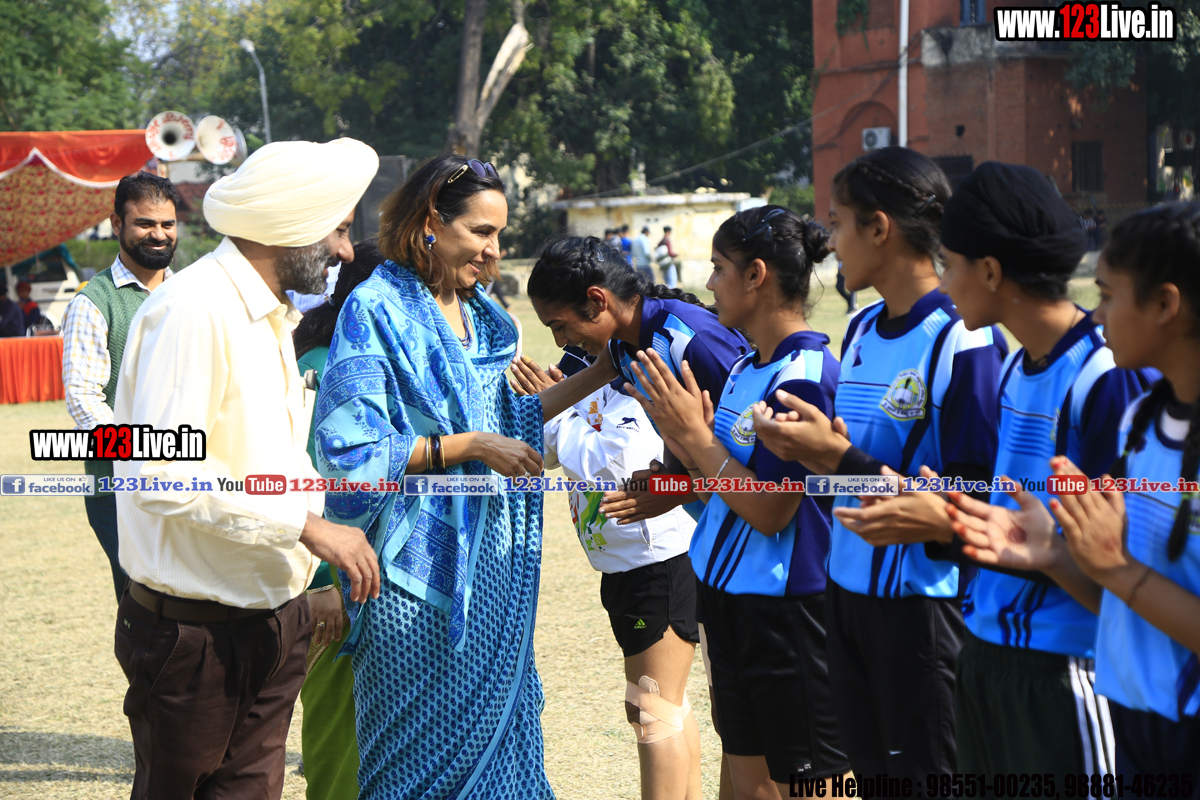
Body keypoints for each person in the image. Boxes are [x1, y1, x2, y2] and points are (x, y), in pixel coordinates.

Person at [828, 162, 1156, 779]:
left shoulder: (1104, 378)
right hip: (988, 652)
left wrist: (947, 516)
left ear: (990, 272)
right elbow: (1005, 520)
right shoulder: (1013, 369)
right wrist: (946, 512)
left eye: (950, 264)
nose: (943, 282)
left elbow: (1123, 561)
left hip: (1066, 665)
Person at [313, 156, 616, 800]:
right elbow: (349, 448)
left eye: (498, 235)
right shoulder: (377, 308)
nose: (493, 251)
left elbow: (511, 422)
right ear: (431, 221)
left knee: (505, 752)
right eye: (481, 232)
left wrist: (606, 368)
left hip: (496, 572)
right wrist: (470, 445)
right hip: (410, 577)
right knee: (409, 768)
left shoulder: (484, 319)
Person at [111, 139, 382, 800]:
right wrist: (306, 527)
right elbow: (158, 476)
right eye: (337, 230)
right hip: (195, 636)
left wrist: (307, 567)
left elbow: (269, 462)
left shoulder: (270, 314)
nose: (346, 252)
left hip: (271, 622)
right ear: (289, 226)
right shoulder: (194, 310)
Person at [751, 147, 1008, 779]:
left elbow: (976, 500)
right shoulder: (863, 326)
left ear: (879, 229)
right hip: (846, 595)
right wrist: (806, 450)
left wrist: (834, 456)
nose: (829, 241)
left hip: (923, 609)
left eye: (838, 222)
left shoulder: (963, 338)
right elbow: (849, 465)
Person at [948, 202, 1200, 786]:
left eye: (1108, 296)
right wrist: (1056, 556)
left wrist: (1117, 570)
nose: (1097, 314)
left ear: (1166, 305)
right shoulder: (1142, 419)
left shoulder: (1109, 387)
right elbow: (1120, 601)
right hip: (1134, 721)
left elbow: (1126, 580)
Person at [624, 205, 851, 797]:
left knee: (815, 782)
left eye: (720, 268)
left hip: (787, 609)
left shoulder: (804, 376)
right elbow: (722, 485)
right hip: (726, 599)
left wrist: (697, 440)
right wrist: (679, 458)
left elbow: (772, 510)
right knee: (748, 781)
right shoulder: (748, 367)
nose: (709, 283)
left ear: (756, 276)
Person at [534, 344, 703, 800]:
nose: (562, 339)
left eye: (564, 324)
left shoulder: (631, 376)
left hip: (658, 559)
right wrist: (547, 406)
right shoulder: (583, 371)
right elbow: (548, 452)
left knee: (652, 709)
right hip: (623, 565)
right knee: (665, 705)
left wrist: (560, 414)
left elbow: (616, 465)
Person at [294, 239, 386, 800]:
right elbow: (305, 484)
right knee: (337, 737)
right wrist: (322, 585)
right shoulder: (323, 372)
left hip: (383, 581)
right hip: (338, 586)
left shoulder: (379, 363)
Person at [61, 172, 180, 602]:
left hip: (191, 478)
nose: (159, 234)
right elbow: (84, 399)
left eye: (167, 224)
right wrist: (146, 457)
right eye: (145, 223)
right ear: (117, 223)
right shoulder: (94, 302)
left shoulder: (190, 293)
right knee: (145, 607)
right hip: (121, 486)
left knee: (193, 604)